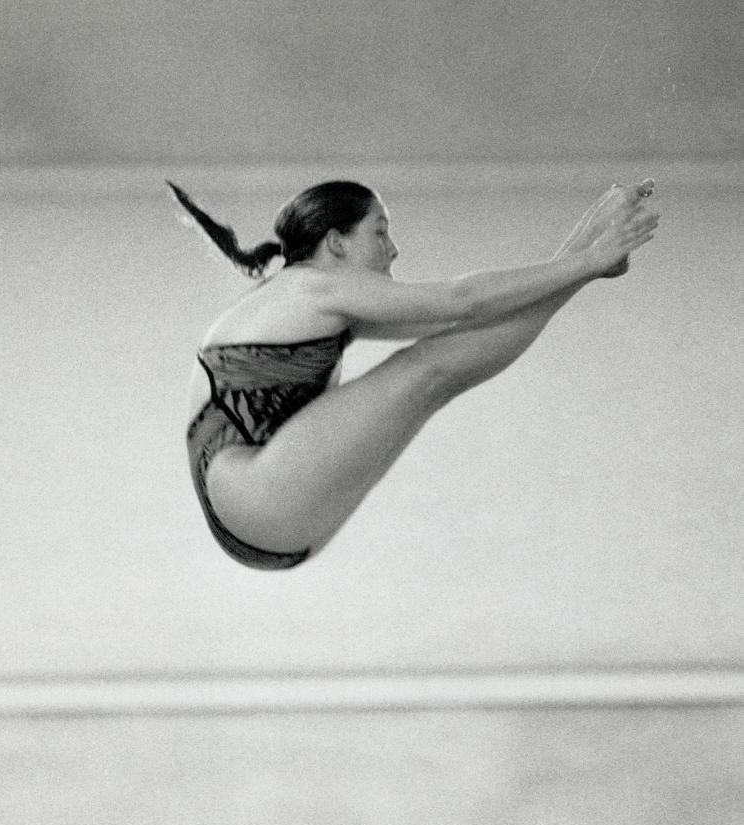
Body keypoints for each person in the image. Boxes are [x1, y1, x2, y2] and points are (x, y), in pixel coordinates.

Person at [170, 177, 658, 570]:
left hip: (267, 516)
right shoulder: (312, 289)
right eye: (379, 232)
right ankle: (590, 255)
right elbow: (462, 301)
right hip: (256, 499)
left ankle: (590, 252)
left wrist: (588, 250)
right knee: (426, 370)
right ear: (336, 243)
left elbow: (467, 319)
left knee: (439, 367)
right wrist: (588, 256)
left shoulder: (319, 302)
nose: (394, 249)